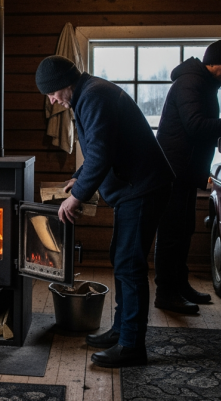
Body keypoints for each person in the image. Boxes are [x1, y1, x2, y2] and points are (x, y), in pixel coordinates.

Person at [35, 55, 174, 367]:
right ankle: (121, 331)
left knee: (129, 265)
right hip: (134, 189)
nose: (52, 100)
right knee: (121, 260)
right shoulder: (89, 93)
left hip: (142, 190)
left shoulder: (94, 96)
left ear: (64, 84)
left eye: (52, 93)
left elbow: (101, 152)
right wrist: (80, 178)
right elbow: (104, 146)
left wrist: (77, 196)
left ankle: (131, 346)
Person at [153, 40, 221, 314]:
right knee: (171, 234)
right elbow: (196, 126)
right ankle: (166, 294)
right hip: (173, 173)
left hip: (185, 173)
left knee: (183, 230)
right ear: (212, 63)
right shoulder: (190, 83)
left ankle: (180, 285)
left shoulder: (203, 83)